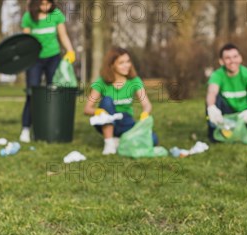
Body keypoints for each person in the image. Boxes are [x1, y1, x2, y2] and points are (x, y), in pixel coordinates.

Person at [19, 0, 75, 143]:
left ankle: (53, 126)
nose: (45, 7)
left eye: (48, 4)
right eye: (42, 4)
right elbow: (26, 41)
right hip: (34, 59)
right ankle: (26, 128)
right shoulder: (28, 17)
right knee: (32, 93)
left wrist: (70, 51)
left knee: (54, 91)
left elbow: (63, 35)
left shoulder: (56, 14)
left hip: (53, 57)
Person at [84, 47, 156, 155]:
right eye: (121, 63)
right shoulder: (101, 82)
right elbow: (87, 109)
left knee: (153, 139)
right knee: (107, 101)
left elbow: (147, 104)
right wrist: (98, 112)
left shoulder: (134, 81)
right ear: (112, 65)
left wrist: (145, 113)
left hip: (126, 121)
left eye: (128, 61)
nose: (126, 65)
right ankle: (109, 144)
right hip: (106, 120)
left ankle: (119, 140)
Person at [205, 43, 247, 142]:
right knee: (212, 101)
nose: (232, 61)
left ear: (240, 58)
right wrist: (211, 107)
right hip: (226, 112)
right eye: (228, 58)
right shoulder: (217, 75)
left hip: (244, 113)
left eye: (235, 56)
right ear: (221, 61)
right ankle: (214, 130)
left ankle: (241, 130)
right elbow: (212, 92)